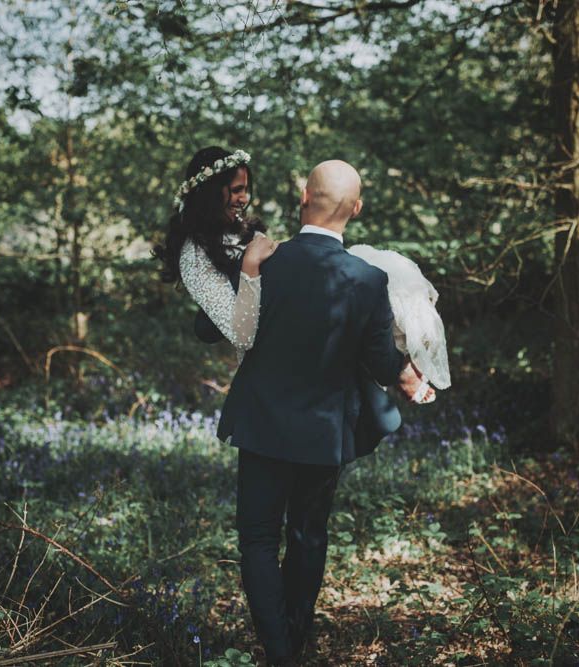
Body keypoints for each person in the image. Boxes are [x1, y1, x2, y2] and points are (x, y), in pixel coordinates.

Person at [216, 160, 413, 665]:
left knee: (258, 539)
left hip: (262, 426)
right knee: (308, 537)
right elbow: (381, 363)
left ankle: (279, 651)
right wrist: (411, 363)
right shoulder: (369, 280)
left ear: (304, 196)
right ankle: (293, 643)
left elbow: (217, 323)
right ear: (357, 209)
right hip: (323, 434)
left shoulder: (265, 260)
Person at [152, 146, 278, 356]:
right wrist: (250, 264)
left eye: (246, 190)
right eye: (237, 190)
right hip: (263, 363)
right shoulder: (194, 254)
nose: (245, 198)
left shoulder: (242, 230)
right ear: (212, 192)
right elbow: (242, 337)